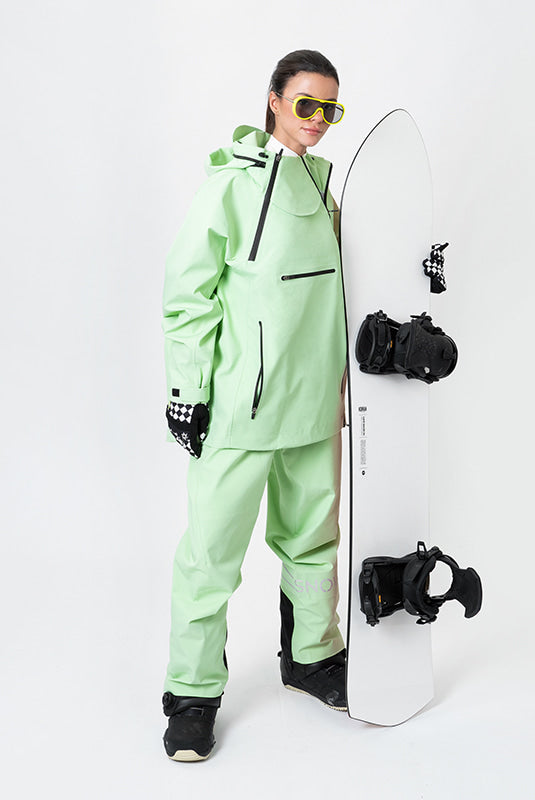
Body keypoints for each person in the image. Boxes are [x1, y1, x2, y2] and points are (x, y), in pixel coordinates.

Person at [161, 49, 348, 762]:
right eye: (306, 104)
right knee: (210, 556)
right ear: (273, 100)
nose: (318, 119)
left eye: (330, 108)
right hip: (241, 408)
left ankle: (312, 658)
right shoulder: (230, 188)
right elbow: (188, 297)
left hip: (313, 408)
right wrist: (187, 392)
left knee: (313, 542)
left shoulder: (326, 192)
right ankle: (191, 695)